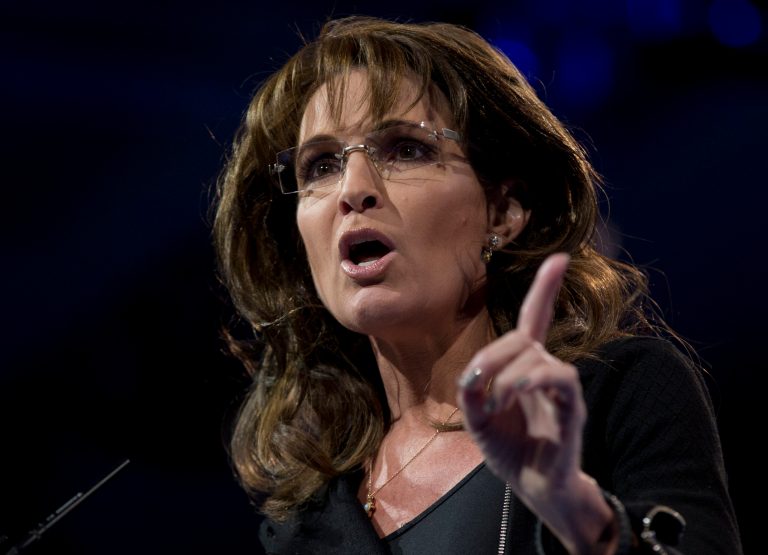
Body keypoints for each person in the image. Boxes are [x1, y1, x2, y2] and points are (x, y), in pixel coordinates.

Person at [212, 15, 742, 555]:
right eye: (321, 165)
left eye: (404, 149)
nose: (353, 189)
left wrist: (576, 510)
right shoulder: (301, 519)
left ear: (503, 211)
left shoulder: (615, 395)